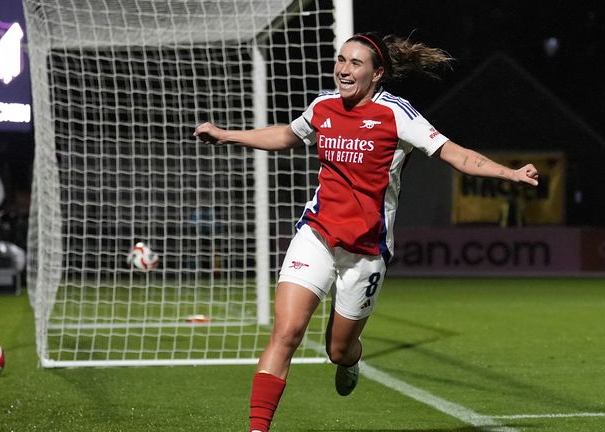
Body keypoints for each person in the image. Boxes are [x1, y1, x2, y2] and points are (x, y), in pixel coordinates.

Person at [194, 32, 539, 432]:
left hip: (366, 250)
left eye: (355, 63)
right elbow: (288, 135)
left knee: (337, 350)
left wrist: (509, 173)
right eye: (341, 60)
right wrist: (226, 135)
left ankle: (350, 359)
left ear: (377, 75)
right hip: (318, 234)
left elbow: (454, 154)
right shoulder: (324, 106)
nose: (343, 69)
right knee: (286, 333)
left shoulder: (398, 114)